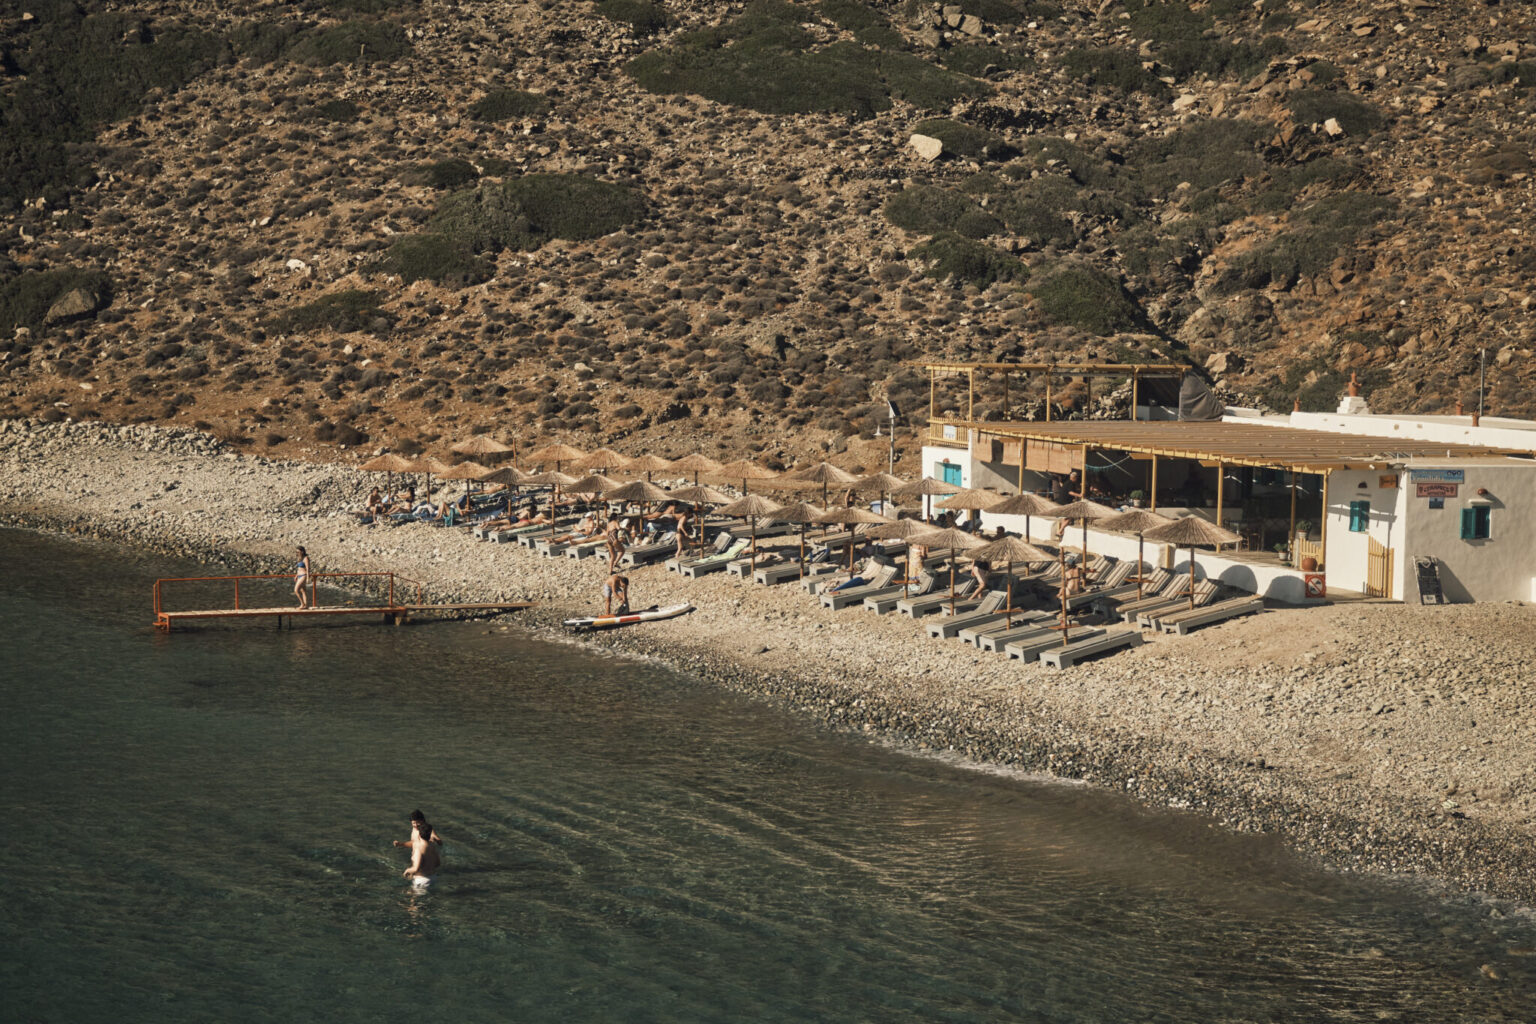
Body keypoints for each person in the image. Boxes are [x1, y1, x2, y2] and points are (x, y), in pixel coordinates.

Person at [400, 817, 441, 886]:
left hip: (421, 880)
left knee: (410, 896)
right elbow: (438, 863)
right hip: (433, 877)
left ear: (419, 835)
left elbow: (416, 868)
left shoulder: (419, 848)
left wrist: (407, 870)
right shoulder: (432, 845)